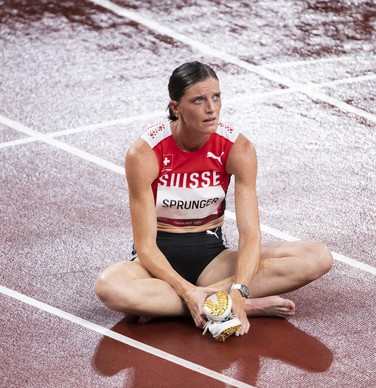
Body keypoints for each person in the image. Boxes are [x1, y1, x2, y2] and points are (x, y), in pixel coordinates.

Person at [94, 61, 333, 341]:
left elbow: (251, 234)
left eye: (216, 97)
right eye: (199, 100)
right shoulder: (144, 153)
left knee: (317, 256)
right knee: (109, 287)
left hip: (213, 260)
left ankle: (206, 304)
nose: (211, 108)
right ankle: (218, 306)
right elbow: (145, 247)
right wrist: (186, 290)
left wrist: (240, 289)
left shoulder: (237, 149)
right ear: (175, 108)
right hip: (156, 266)